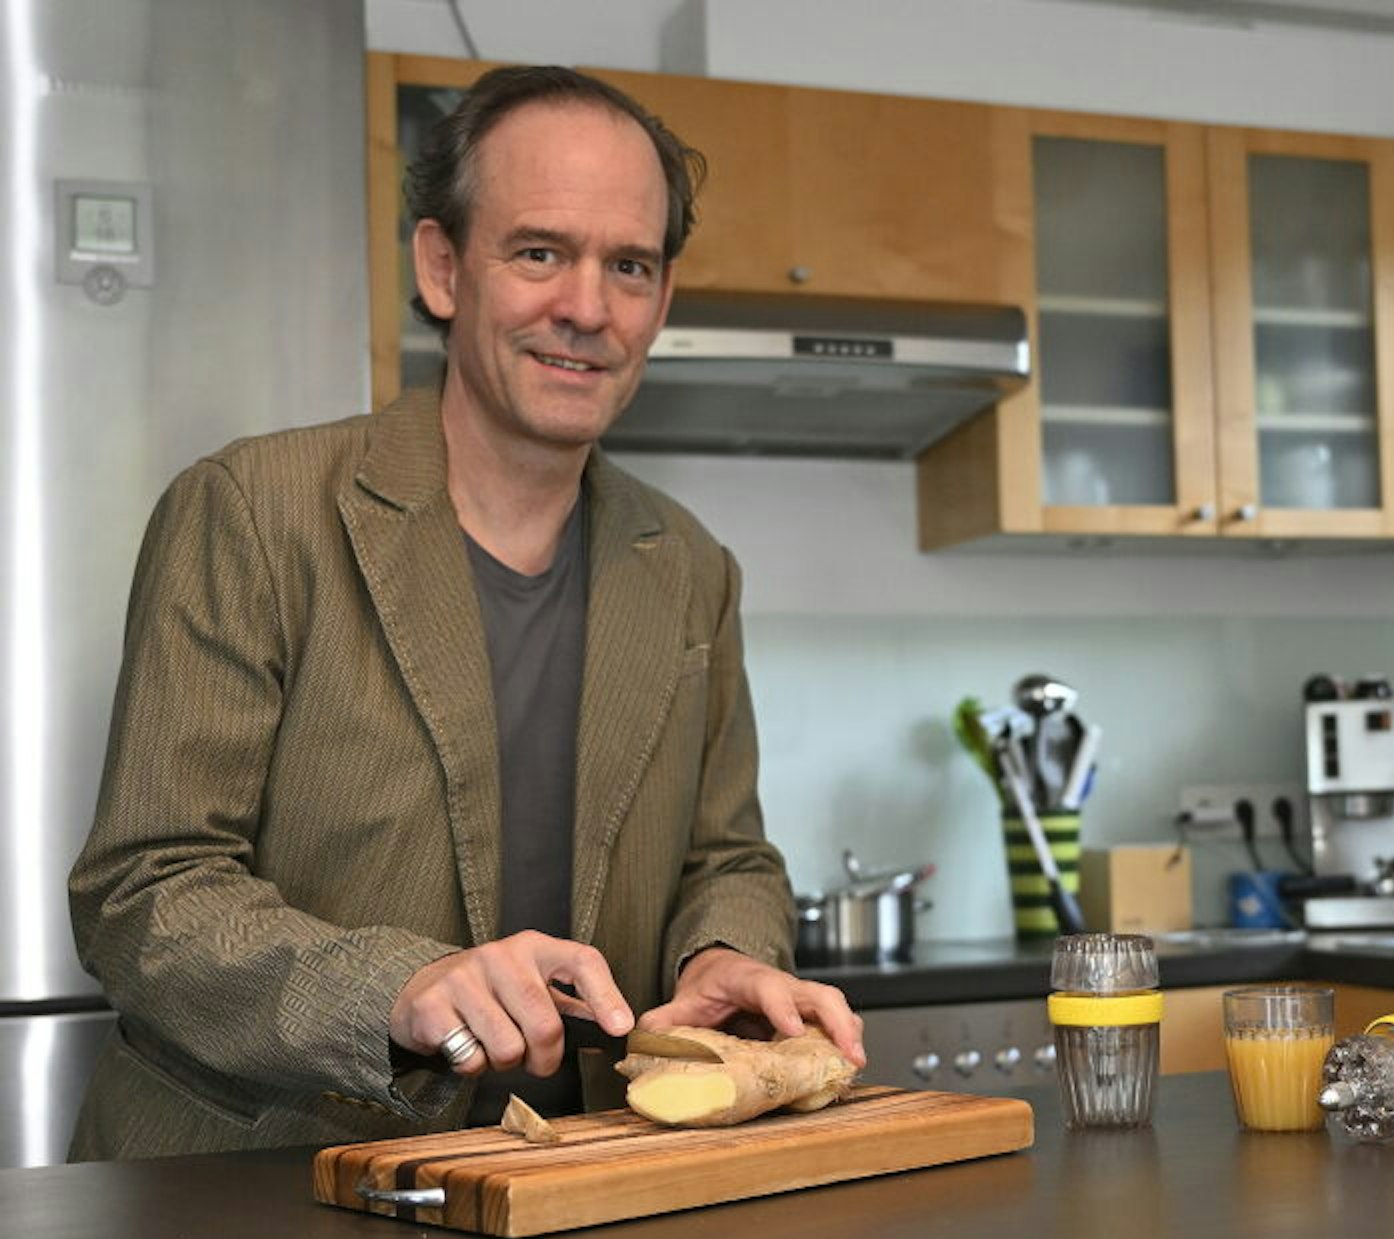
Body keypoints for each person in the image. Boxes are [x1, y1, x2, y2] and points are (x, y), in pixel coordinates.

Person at [65, 65, 862, 1161]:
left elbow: (728, 857)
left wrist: (719, 953)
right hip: (254, 1188)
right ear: (442, 267)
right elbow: (143, 892)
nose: (587, 308)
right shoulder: (252, 510)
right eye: (539, 253)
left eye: (628, 266)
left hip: (575, 1184)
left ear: (661, 299)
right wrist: (396, 988)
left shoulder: (690, 567)